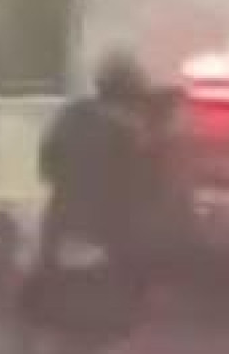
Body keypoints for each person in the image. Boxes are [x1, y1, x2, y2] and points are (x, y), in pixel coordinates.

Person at [33, 52, 167, 299]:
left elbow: (46, 168)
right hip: (112, 243)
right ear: (132, 93)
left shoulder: (70, 115)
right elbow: (149, 188)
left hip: (61, 232)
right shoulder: (133, 133)